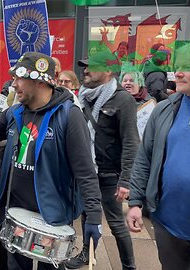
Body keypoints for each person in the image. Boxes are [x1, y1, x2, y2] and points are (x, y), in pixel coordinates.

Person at [0, 52, 102, 270]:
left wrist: (94, 215)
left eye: (19, 79)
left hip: (52, 217)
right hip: (15, 212)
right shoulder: (15, 111)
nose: (14, 84)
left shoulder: (69, 115)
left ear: (40, 82)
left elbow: (85, 171)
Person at [126, 40, 190, 270]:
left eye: (186, 67)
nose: (176, 73)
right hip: (167, 226)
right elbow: (145, 157)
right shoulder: (165, 108)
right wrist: (136, 202)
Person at [65, 51, 139, 270]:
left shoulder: (122, 99)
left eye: (91, 66)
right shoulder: (83, 96)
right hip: (87, 173)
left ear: (108, 70)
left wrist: (126, 181)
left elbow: (131, 142)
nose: (85, 70)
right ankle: (88, 255)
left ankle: (129, 266)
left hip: (110, 175)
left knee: (117, 224)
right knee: (88, 217)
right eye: (84, 66)